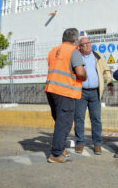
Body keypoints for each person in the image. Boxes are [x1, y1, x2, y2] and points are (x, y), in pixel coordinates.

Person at [45, 28, 87, 163]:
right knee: (64, 124)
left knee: (60, 122)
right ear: (75, 41)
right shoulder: (73, 51)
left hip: (51, 89)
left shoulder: (53, 51)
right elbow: (80, 72)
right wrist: (85, 76)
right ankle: (56, 154)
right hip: (65, 92)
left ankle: (60, 148)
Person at [74, 37, 113, 155]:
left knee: (96, 119)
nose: (87, 45)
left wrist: (109, 82)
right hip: (81, 92)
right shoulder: (76, 57)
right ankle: (80, 143)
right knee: (79, 118)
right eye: (84, 44)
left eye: (88, 43)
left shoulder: (97, 55)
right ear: (80, 47)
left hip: (95, 92)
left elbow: (106, 70)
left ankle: (97, 144)